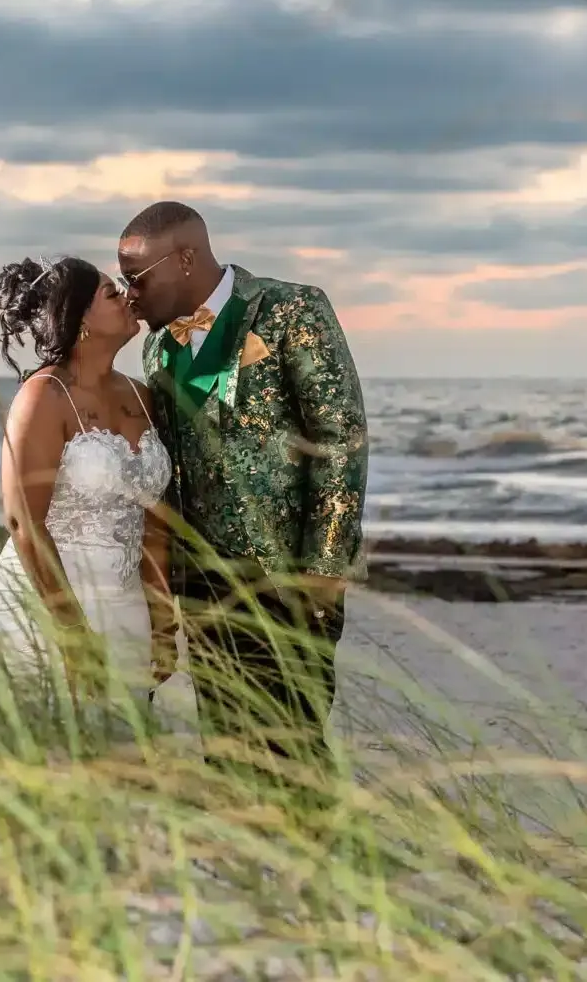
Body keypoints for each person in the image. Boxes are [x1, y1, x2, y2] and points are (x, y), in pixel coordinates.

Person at [119, 201, 368, 783]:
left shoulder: (291, 309)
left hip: (288, 577)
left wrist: (323, 569)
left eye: (135, 277)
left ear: (184, 259)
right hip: (203, 585)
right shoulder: (157, 346)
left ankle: (325, 863)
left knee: (293, 744)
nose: (128, 294)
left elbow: (340, 441)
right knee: (228, 749)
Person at [0, 256, 178, 721]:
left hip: (127, 597)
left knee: (124, 752)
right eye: (113, 294)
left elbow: (153, 521)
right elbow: (21, 520)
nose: (130, 296)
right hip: (49, 599)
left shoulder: (141, 395)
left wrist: (163, 617)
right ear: (80, 318)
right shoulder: (44, 396)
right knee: (59, 752)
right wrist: (71, 630)